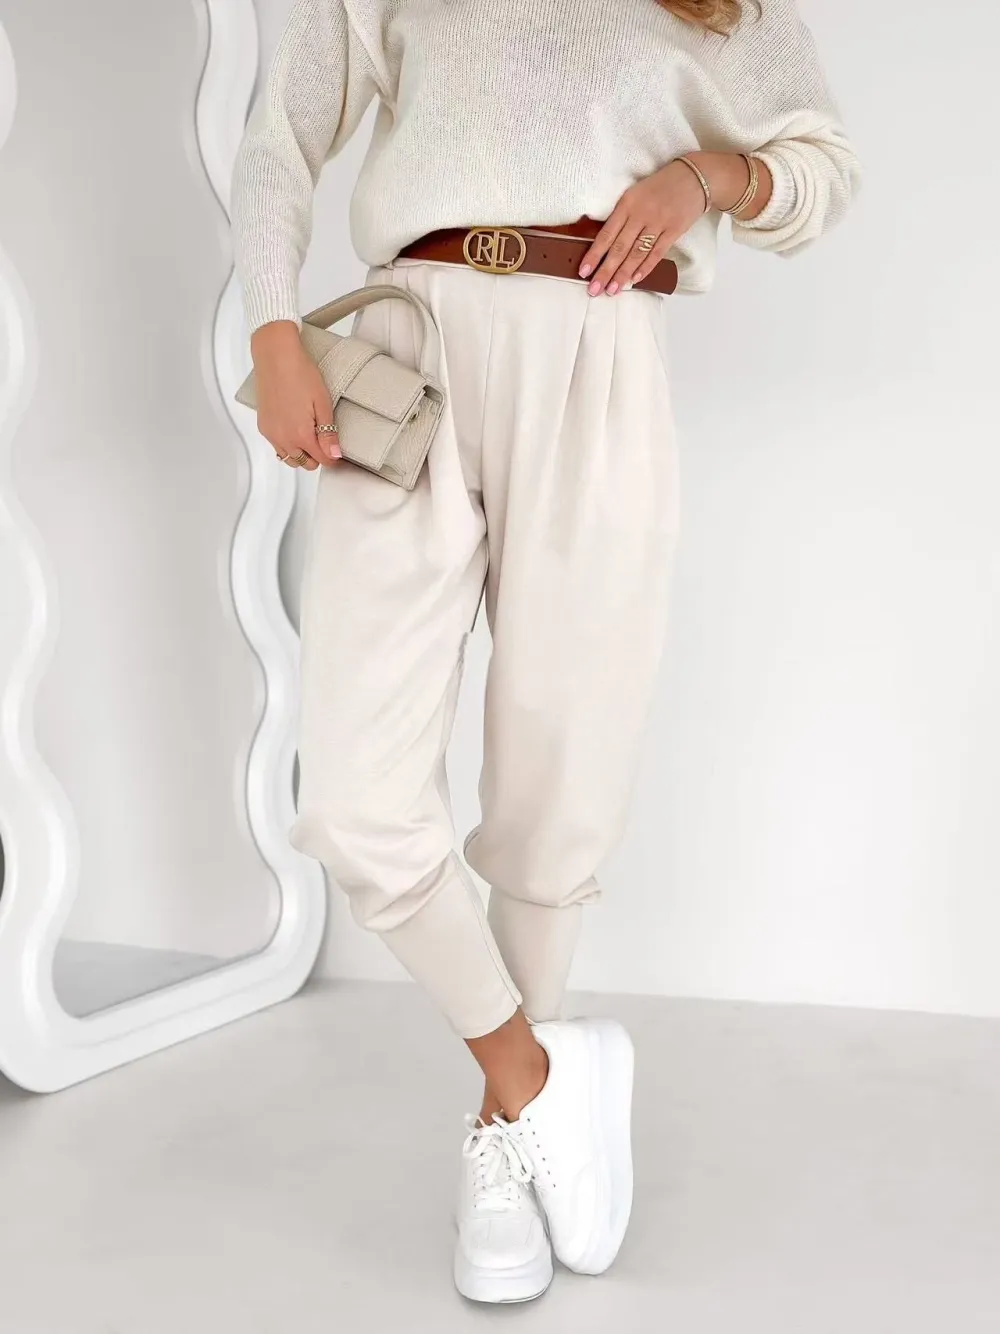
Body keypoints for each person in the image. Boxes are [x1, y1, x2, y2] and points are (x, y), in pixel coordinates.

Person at [231, 0, 860, 1303]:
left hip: (599, 345)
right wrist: (273, 326)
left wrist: (707, 179)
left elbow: (823, 166)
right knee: (353, 801)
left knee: (555, 794)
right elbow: (280, 135)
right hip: (405, 345)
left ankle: (502, 1147)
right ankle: (535, 1076)